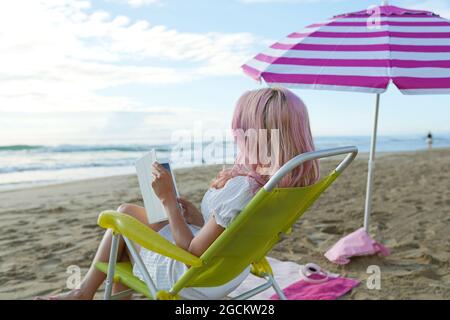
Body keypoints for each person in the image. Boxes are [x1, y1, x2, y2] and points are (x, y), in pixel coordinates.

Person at [35, 87, 320, 300]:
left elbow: (191, 254)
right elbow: (231, 229)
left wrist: (169, 202)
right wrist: (199, 216)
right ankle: (85, 293)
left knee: (120, 221)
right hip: (235, 268)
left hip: (199, 279)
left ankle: (84, 293)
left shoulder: (243, 189)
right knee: (132, 213)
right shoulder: (283, 184)